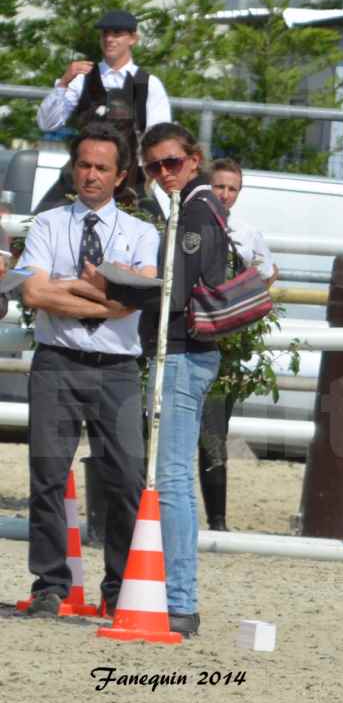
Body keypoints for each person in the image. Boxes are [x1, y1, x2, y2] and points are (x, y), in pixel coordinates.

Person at [17, 121, 159, 617]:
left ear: (121, 176)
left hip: (117, 368)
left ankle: (119, 586)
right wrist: (105, 294)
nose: (90, 175)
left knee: (125, 478)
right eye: (83, 165)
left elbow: (136, 300)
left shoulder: (142, 233)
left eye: (101, 168)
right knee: (47, 475)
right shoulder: (48, 224)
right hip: (57, 361)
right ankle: (50, 584)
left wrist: (68, 290)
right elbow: (33, 293)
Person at [96, 122, 231, 637]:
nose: (163, 174)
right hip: (184, 352)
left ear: (193, 159)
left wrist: (114, 284)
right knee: (171, 478)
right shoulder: (192, 207)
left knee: (172, 479)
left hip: (180, 352)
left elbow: (173, 293)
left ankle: (179, 599)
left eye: (171, 163)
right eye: (154, 167)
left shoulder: (195, 213)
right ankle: (177, 596)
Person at [196, 159, 278, 533]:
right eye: (220, 187)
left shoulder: (246, 231)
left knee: (213, 433)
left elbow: (268, 273)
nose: (225, 195)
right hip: (191, 334)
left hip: (226, 344)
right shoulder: (191, 221)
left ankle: (218, 520)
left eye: (232, 189)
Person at [34, 9, 172, 213]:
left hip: (128, 181)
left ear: (133, 38)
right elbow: (47, 123)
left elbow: (159, 139)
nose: (109, 39)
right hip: (80, 178)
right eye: (105, 33)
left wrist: (153, 175)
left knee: (159, 236)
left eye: (117, 33)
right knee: (33, 229)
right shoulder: (81, 78)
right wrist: (63, 83)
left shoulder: (150, 84)